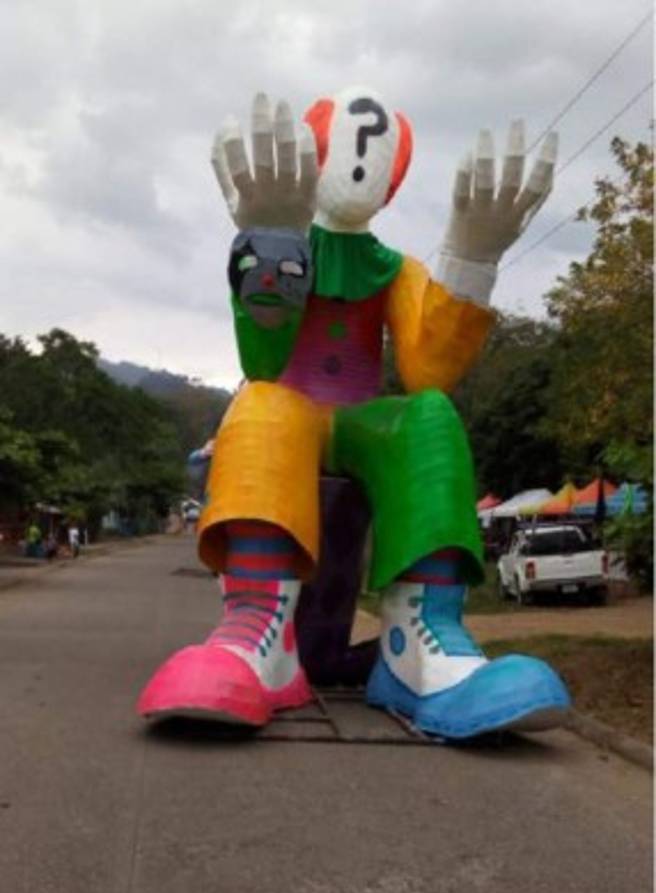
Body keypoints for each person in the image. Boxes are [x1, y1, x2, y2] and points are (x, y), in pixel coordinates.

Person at [138, 88, 570, 739]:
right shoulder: (297, 243)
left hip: (365, 422)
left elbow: (429, 368)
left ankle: (420, 646)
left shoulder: (391, 268)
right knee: (263, 405)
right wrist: (272, 244)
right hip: (293, 416)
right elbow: (264, 358)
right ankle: (259, 632)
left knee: (429, 415)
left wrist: (472, 258)